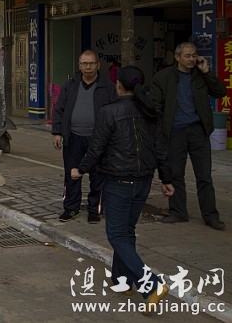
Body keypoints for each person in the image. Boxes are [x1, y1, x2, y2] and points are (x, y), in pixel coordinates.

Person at [71, 65, 173, 314]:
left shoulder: (109, 112)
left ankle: (151, 284)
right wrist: (167, 179)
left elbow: (96, 148)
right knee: (127, 232)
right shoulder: (149, 111)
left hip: (119, 182)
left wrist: (80, 170)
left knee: (116, 235)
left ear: (118, 86)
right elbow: (161, 149)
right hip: (143, 181)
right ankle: (122, 280)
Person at [150, 42, 227, 231]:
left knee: (204, 175)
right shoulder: (163, 77)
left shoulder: (200, 75)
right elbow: (154, 105)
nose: (192, 59)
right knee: (176, 173)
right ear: (177, 57)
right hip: (175, 131)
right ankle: (178, 211)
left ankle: (211, 216)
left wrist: (207, 71)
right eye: (187, 56)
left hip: (198, 131)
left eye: (194, 55)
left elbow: (220, 92)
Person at [52, 50, 116, 223]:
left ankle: (94, 210)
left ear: (98, 65)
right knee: (71, 175)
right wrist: (57, 132)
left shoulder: (107, 87)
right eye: (84, 64)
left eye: (91, 63)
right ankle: (71, 208)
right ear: (79, 66)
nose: (88, 67)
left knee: (98, 176)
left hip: (98, 140)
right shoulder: (70, 85)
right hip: (73, 137)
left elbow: (114, 112)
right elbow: (59, 108)